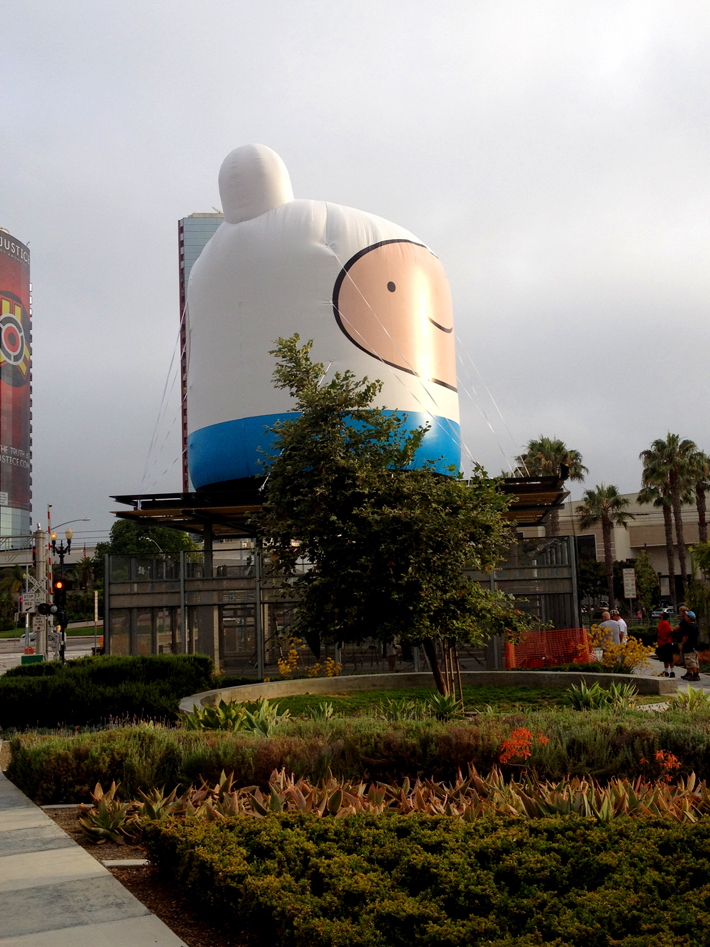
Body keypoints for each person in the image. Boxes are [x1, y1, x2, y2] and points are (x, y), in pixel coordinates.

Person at [679, 610, 701, 682]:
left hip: (689, 646)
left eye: (687, 616)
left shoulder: (688, 626)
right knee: (694, 660)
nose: (685, 617)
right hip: (695, 646)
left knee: (691, 661)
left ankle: (695, 675)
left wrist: (682, 644)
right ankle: (693, 673)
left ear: (689, 618)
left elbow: (686, 637)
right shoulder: (695, 626)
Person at [656, 611, 675, 677]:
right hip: (661, 643)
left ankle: (672, 671)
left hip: (667, 643)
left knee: (669, 658)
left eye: (661, 614)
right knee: (665, 658)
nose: (659, 615)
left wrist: (666, 637)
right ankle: (666, 671)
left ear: (662, 616)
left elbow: (671, 630)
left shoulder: (665, 623)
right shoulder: (660, 623)